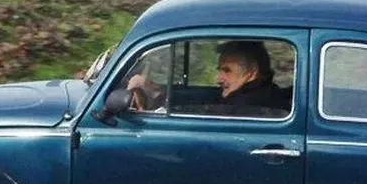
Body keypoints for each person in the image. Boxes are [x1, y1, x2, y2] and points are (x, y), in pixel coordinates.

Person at [124, 40, 291, 114]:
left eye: (227, 71)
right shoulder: (262, 94)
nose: (218, 79)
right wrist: (158, 96)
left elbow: (200, 117)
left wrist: (156, 103)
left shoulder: (248, 105)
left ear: (251, 72)